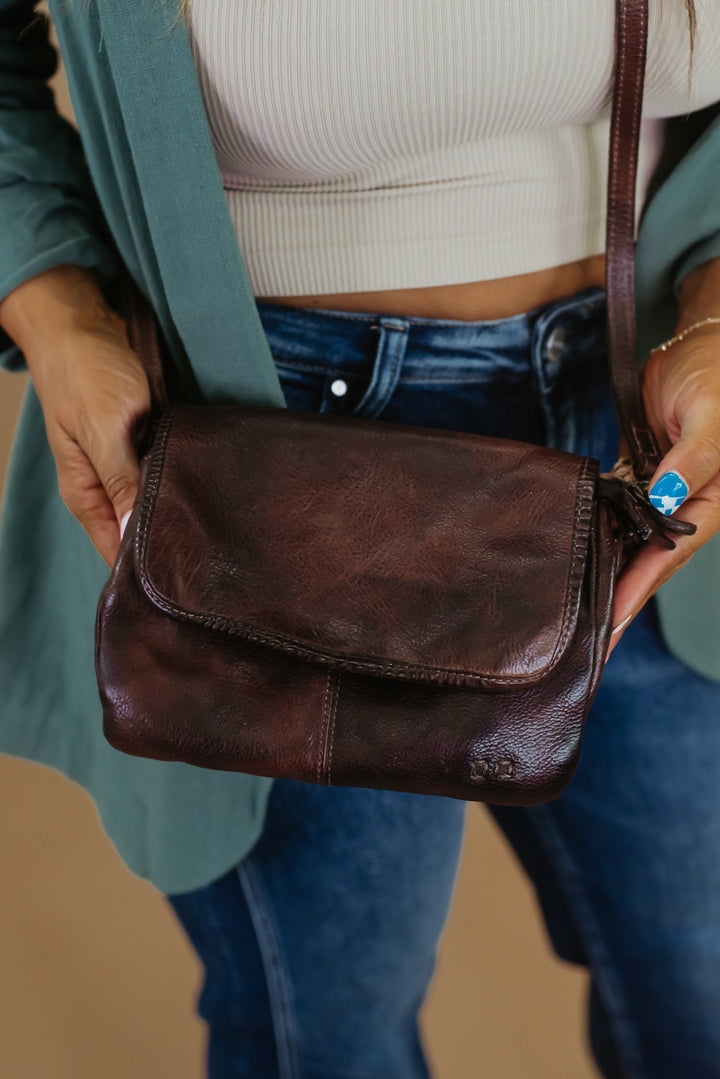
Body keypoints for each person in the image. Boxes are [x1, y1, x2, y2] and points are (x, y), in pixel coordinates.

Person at [1, 0, 720, 1075]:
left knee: (701, 986)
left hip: (646, 421)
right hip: (272, 456)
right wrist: (55, 312)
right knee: (335, 1034)